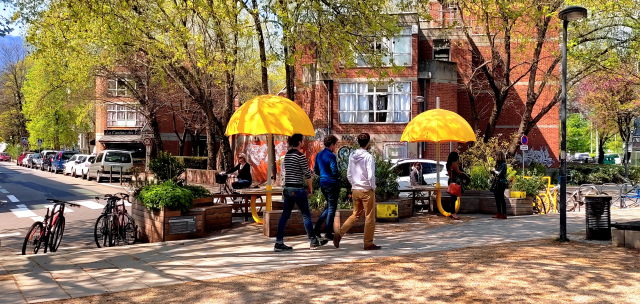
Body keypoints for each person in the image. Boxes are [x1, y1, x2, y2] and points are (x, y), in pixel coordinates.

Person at [274, 134, 327, 252]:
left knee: (285, 215)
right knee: (306, 215)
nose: (303, 142)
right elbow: (308, 175)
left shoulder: (287, 156)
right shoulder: (300, 156)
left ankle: (279, 242)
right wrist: (311, 188)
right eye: (302, 141)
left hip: (287, 189)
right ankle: (313, 241)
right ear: (299, 142)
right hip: (297, 189)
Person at [333, 133, 380, 250]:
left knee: (355, 214)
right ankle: (368, 242)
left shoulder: (352, 155)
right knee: (369, 217)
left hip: (355, 189)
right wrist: (373, 187)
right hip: (366, 189)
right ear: (368, 143)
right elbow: (370, 175)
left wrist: (353, 184)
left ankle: (339, 233)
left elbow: (349, 173)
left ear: (358, 142)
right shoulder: (368, 157)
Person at [313, 135, 340, 241]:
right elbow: (334, 170)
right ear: (332, 145)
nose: (336, 147)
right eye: (336, 145)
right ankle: (328, 232)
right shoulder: (331, 156)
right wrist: (337, 176)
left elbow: (315, 170)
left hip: (323, 182)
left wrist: (323, 175)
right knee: (332, 208)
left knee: (329, 207)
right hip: (332, 183)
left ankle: (317, 229)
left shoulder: (319, 155)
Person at [445, 152, 466, 220]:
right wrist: (464, 173)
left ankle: (452, 213)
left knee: (452, 198)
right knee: (453, 198)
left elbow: (450, 173)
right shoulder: (454, 163)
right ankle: (453, 213)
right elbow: (458, 172)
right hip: (455, 182)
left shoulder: (448, 164)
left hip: (450, 181)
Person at [491, 150, 508, 219]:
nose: (495, 157)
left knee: (501, 198)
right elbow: (496, 174)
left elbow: (500, 173)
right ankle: (499, 213)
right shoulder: (497, 164)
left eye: (496, 156)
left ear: (499, 156)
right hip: (496, 182)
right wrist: (492, 172)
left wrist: (494, 171)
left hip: (501, 183)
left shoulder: (504, 164)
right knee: (497, 199)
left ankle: (504, 214)